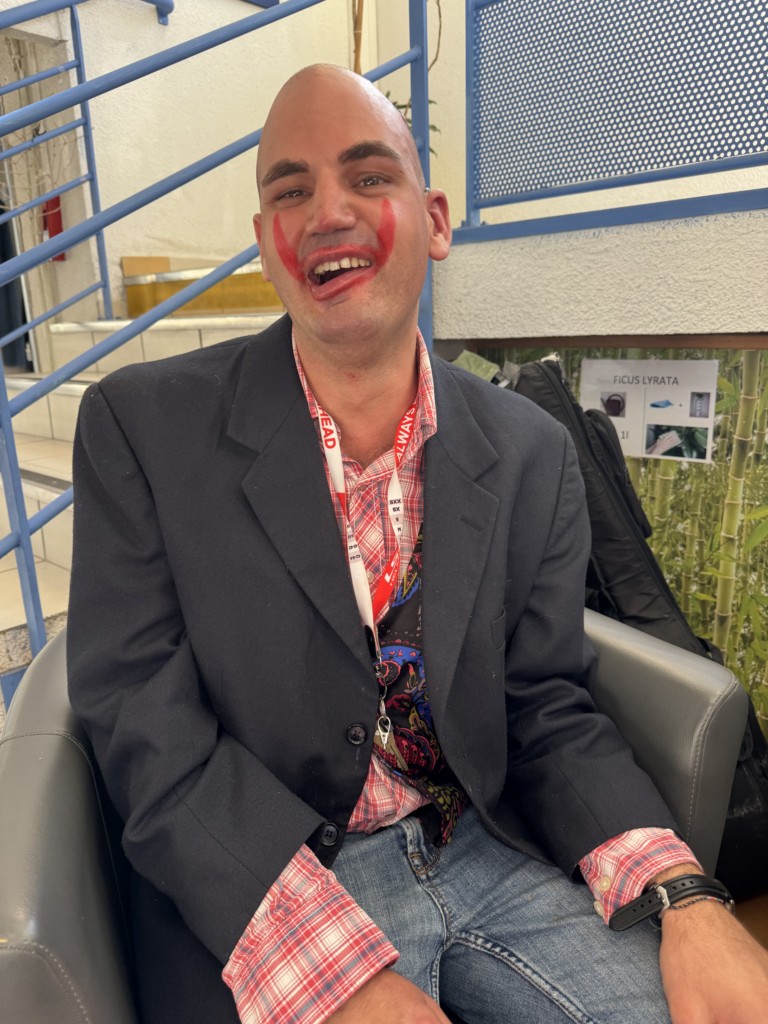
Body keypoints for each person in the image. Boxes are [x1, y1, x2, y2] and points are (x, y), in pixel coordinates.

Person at [67, 65, 768, 1024]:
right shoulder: (142, 429)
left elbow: (544, 705)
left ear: (435, 221)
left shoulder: (531, 451)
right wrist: (334, 971)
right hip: (274, 878)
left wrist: (686, 897)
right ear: (268, 246)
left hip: (484, 848)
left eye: (368, 177)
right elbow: (141, 725)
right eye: (291, 192)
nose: (328, 213)